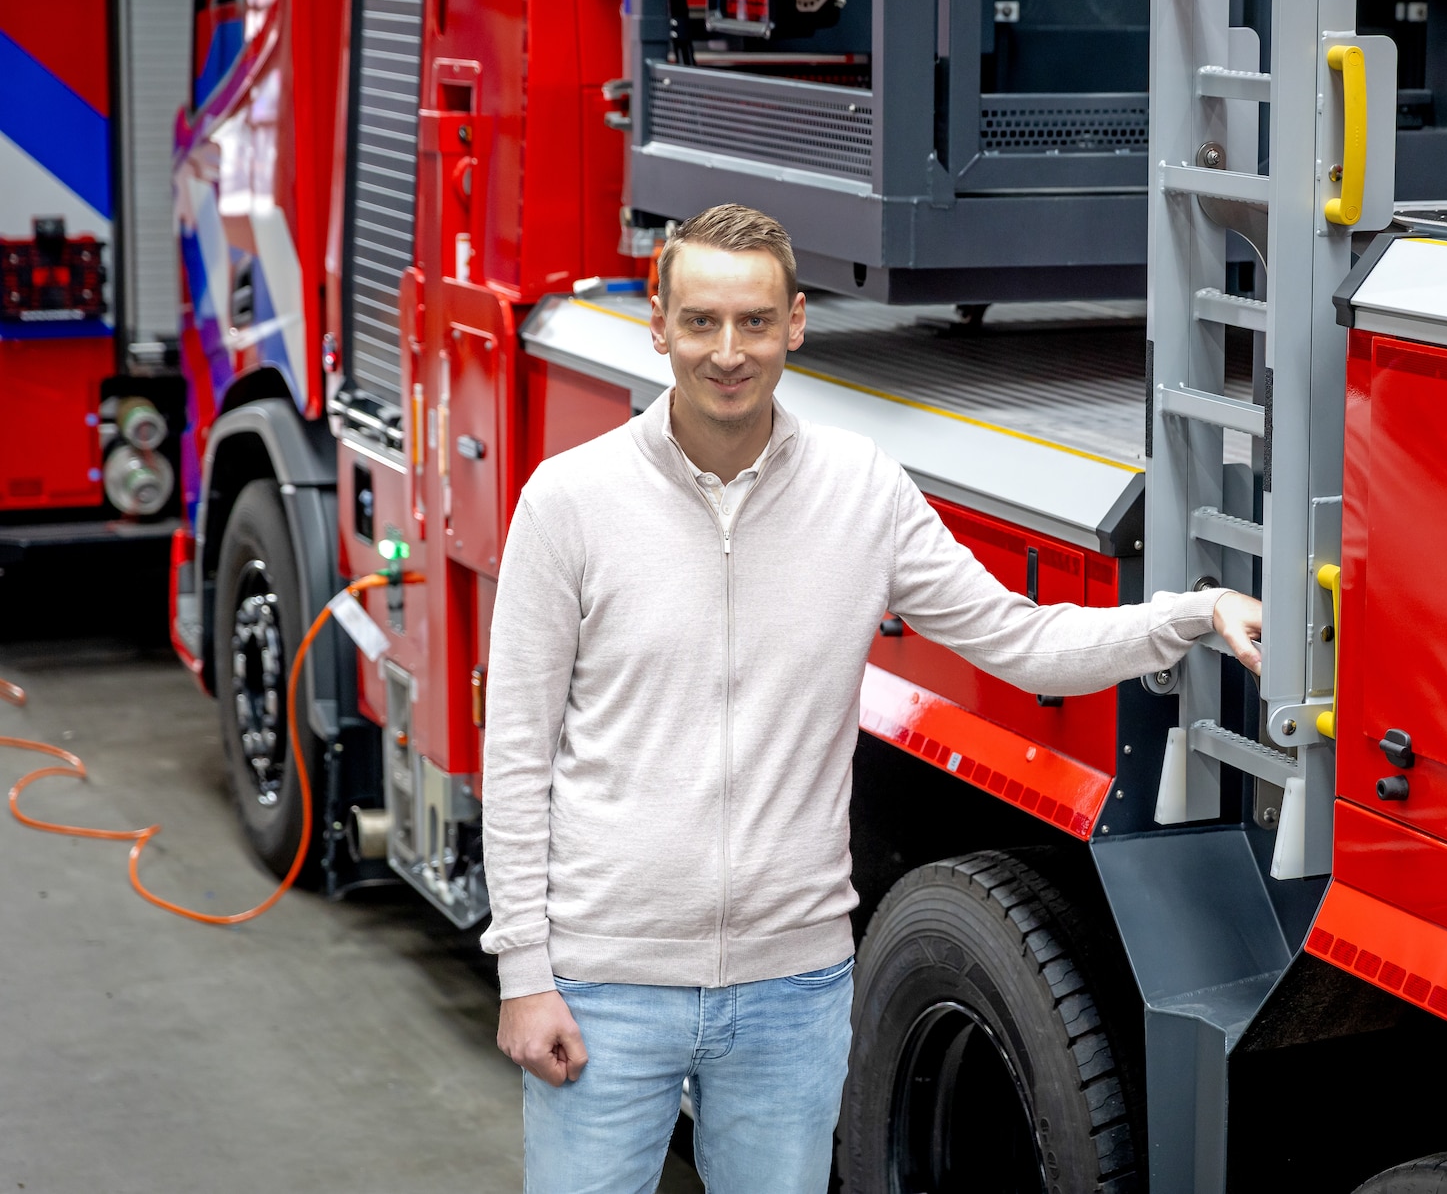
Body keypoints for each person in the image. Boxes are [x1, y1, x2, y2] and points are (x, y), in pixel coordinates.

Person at [481, 203, 1263, 1194]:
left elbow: (1023, 643)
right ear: (658, 323)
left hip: (790, 994)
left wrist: (1187, 615)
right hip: (605, 984)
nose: (729, 352)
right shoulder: (570, 500)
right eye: (702, 322)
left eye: (755, 322)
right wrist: (525, 976)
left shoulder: (861, 493)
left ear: (796, 323)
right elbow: (514, 752)